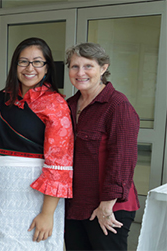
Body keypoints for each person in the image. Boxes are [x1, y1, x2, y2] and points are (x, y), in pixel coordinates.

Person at [0, 37, 74, 250]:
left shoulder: (55, 104)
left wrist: (47, 213)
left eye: (37, 62)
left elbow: (59, 163)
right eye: (23, 61)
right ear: (15, 65)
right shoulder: (2, 97)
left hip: (33, 191)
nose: (30, 68)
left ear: (47, 67)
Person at [64, 42, 139, 251]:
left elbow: (123, 158)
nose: (80, 73)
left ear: (103, 68)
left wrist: (107, 204)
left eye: (88, 66)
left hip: (108, 206)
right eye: (74, 66)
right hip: (76, 206)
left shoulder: (117, 105)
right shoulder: (68, 105)